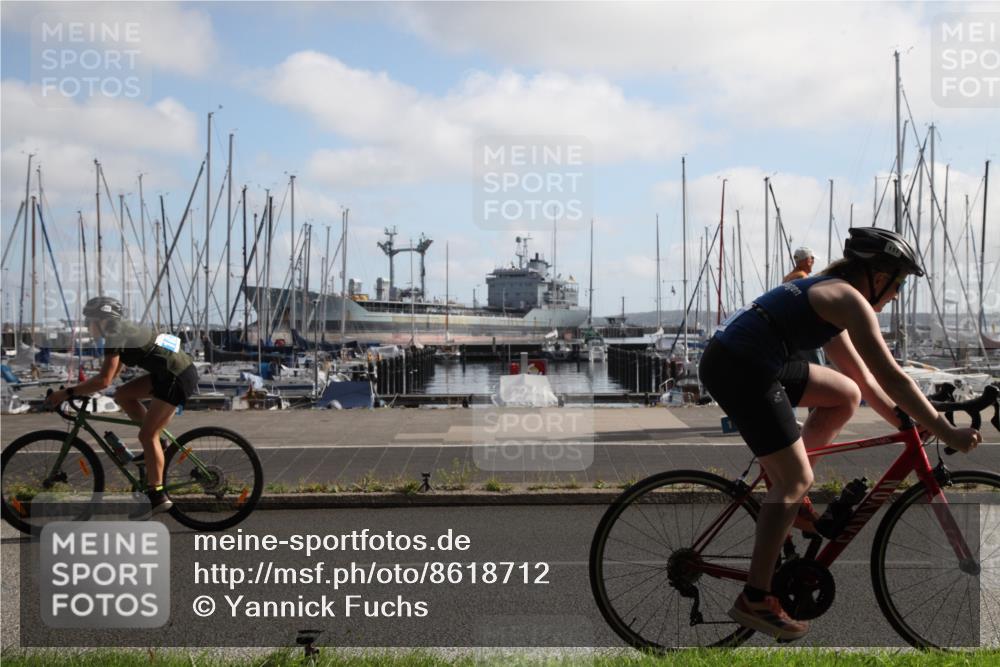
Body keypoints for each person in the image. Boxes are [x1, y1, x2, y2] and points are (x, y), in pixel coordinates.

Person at [698, 227, 981, 641]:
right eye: (898, 283)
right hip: (740, 366)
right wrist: (945, 431)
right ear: (879, 276)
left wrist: (906, 423)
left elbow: (866, 383)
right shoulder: (848, 300)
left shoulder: (833, 295)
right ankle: (755, 598)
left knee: (843, 394)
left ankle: (794, 498)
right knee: (795, 478)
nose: (898, 294)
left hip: (752, 359)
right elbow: (896, 379)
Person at [45, 296, 199, 518]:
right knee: (123, 395)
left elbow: (104, 379)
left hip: (176, 375)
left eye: (89, 320)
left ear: (103, 320)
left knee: (147, 436)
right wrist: (93, 388)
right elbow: (114, 373)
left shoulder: (115, 334)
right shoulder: (120, 331)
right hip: (169, 373)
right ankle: (159, 445)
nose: (88, 326)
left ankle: (157, 496)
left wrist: (66, 393)